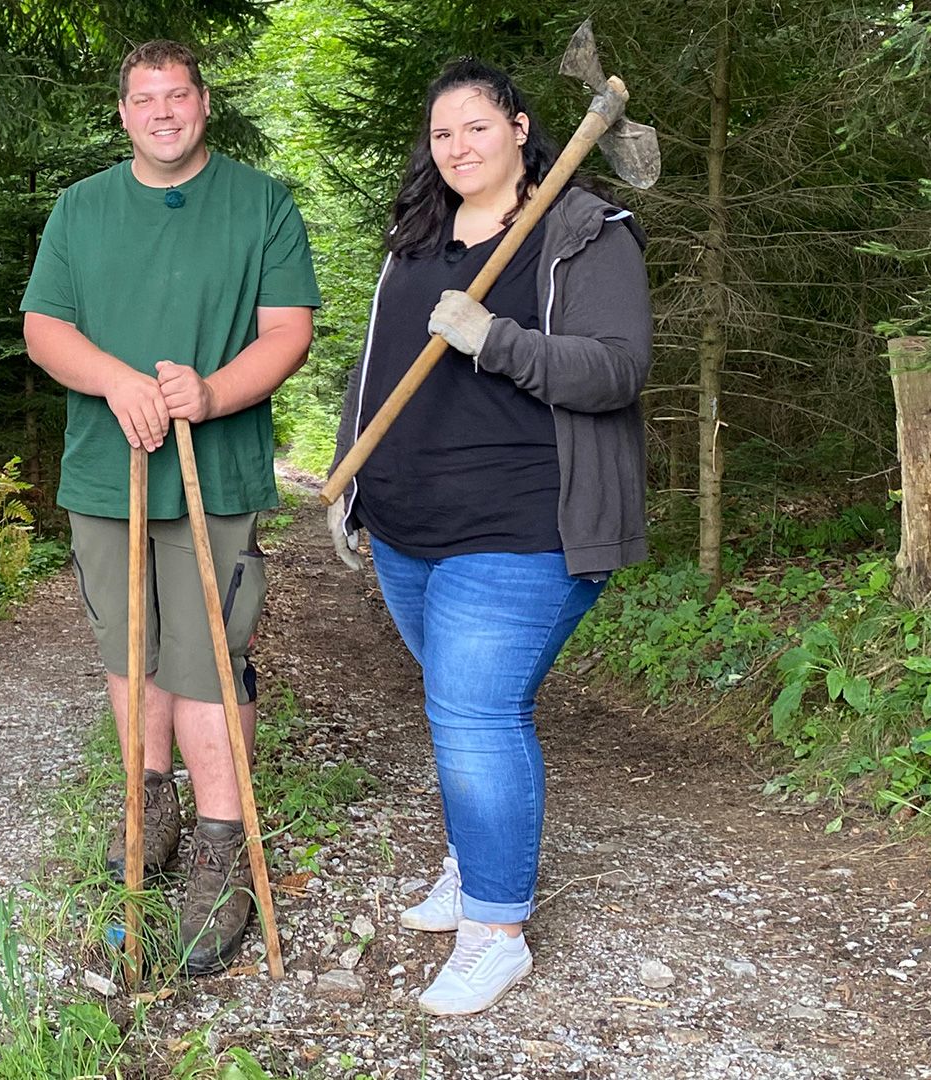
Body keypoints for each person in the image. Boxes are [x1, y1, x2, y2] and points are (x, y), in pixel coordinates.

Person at [328, 58, 651, 1015]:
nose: (458, 146)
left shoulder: (582, 229)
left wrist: (495, 339)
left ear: (518, 128)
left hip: (524, 524)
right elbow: (376, 366)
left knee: (473, 714)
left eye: (476, 126)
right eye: (441, 134)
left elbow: (615, 370)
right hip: (406, 525)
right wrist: (350, 482)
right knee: (458, 707)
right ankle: (477, 865)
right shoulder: (415, 240)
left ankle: (496, 929)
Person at [22, 40, 320, 975]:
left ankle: (224, 849)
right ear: (124, 114)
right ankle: (148, 812)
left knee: (209, 664)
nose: (162, 112)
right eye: (144, 99)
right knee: (130, 656)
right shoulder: (82, 207)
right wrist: (119, 384)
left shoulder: (262, 203)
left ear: (203, 104)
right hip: (108, 475)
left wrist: (212, 394)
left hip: (213, 472)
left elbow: (289, 332)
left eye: (177, 96)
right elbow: (44, 328)